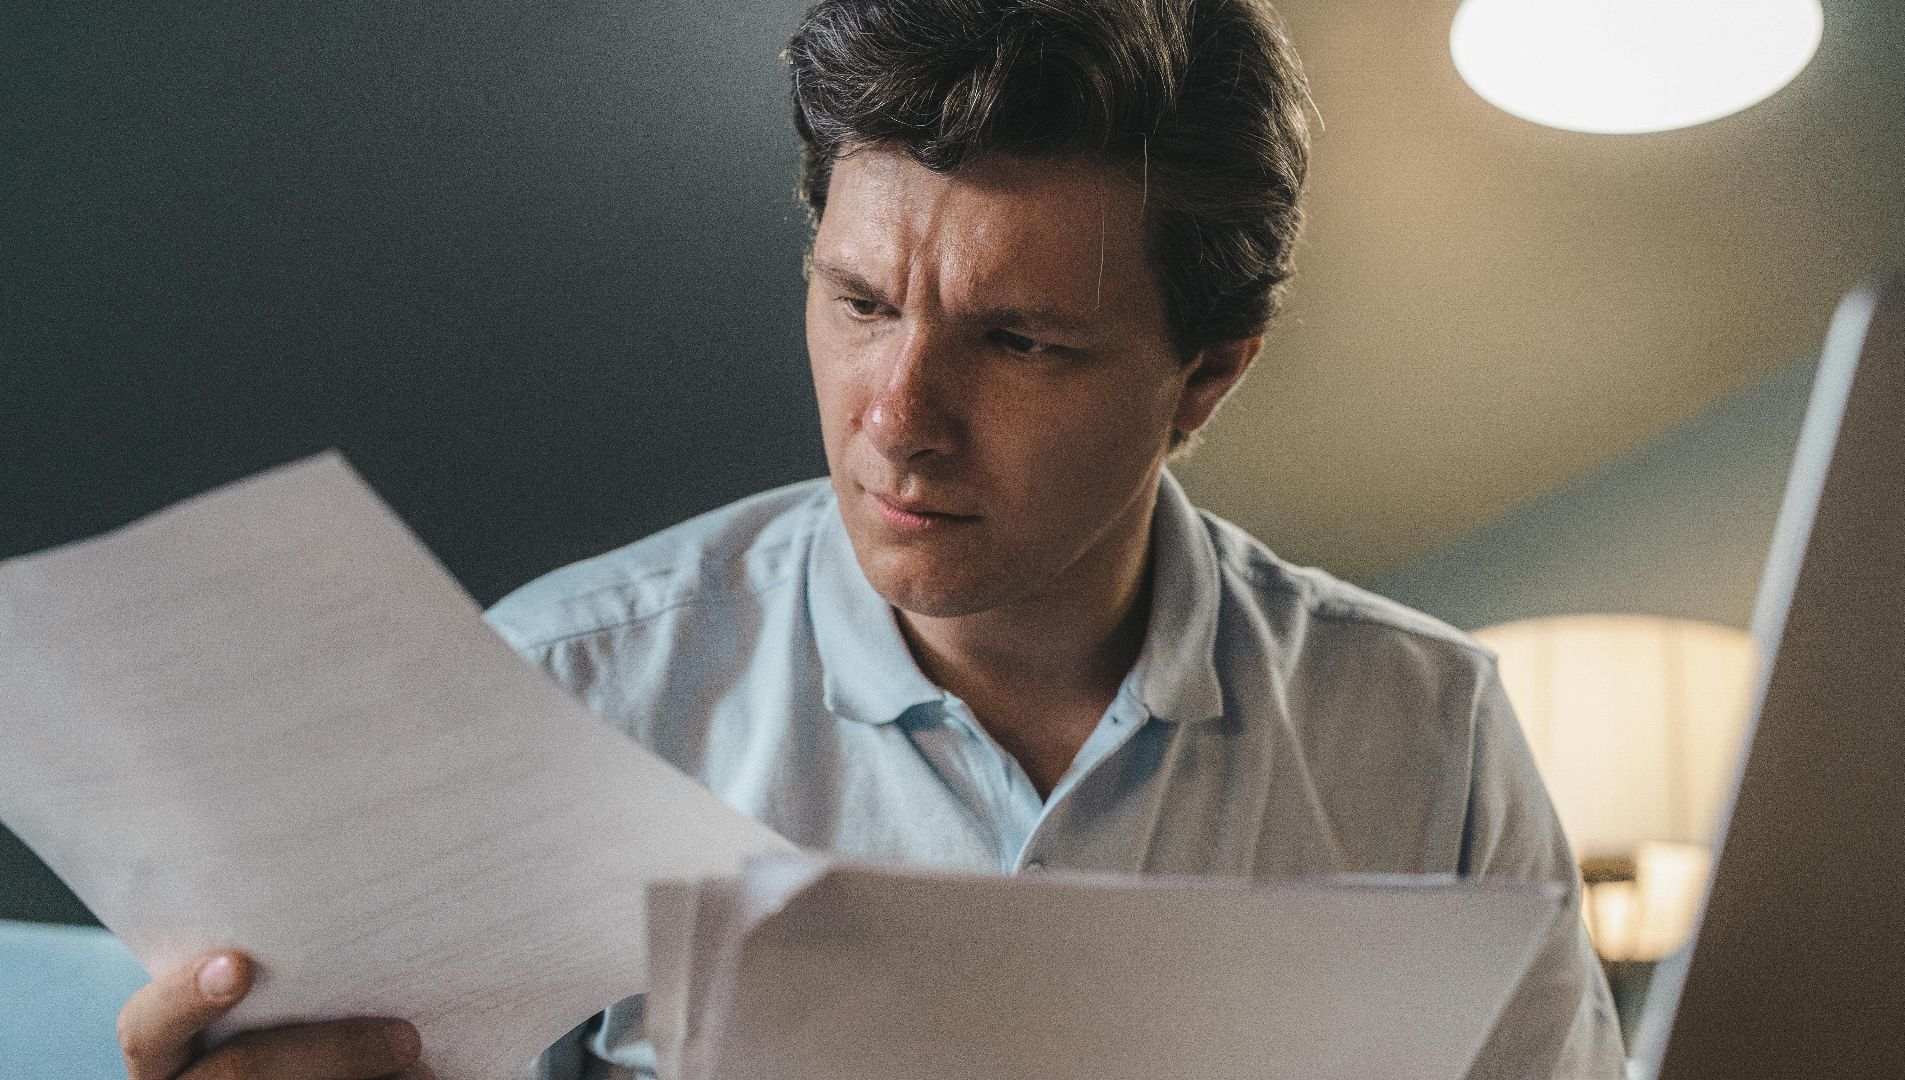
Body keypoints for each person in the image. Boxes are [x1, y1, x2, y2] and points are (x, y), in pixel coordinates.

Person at [115, 1, 1629, 1077]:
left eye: (1021, 342)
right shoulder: (552, 692)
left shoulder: (1428, 735)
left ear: (1208, 376)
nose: (897, 418)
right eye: (860, 303)